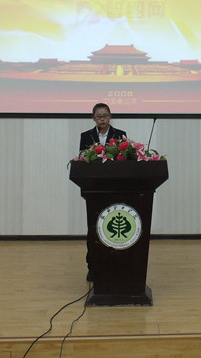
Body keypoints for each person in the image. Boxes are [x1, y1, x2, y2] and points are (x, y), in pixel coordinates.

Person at [78, 103, 127, 282]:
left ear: (110, 116)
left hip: (114, 187)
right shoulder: (86, 136)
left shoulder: (120, 135)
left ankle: (114, 265)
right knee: (94, 229)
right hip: (93, 188)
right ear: (93, 118)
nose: (102, 119)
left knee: (112, 228)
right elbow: (82, 159)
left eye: (105, 116)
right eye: (99, 116)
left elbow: (124, 160)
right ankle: (92, 267)